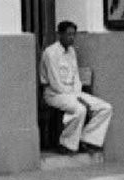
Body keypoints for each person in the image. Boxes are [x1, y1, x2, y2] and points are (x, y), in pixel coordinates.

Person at [39, 20, 114, 156]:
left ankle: (88, 139)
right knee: (80, 109)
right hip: (54, 94)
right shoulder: (50, 53)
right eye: (68, 35)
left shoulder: (72, 51)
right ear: (59, 35)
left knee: (105, 108)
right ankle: (66, 144)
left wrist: (78, 94)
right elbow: (55, 82)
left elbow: (76, 77)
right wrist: (76, 98)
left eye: (74, 35)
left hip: (73, 93)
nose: (72, 38)